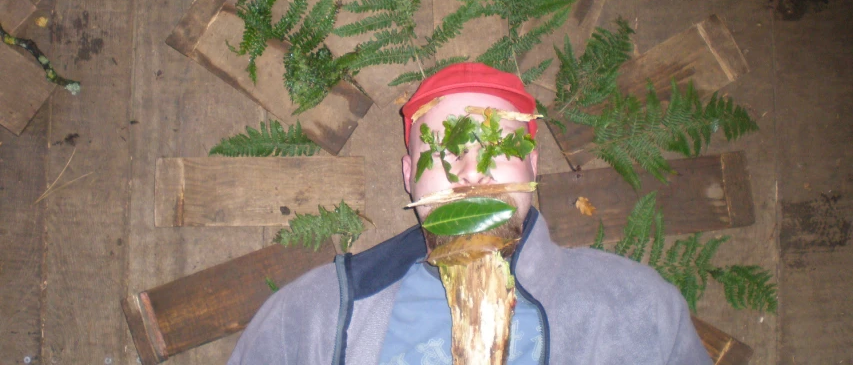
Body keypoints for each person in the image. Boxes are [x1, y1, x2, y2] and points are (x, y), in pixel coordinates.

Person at [228, 63, 713, 365]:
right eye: (439, 152)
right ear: (408, 178)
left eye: (498, 145)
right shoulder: (312, 316)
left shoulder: (638, 311)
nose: (470, 171)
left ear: (533, 167)